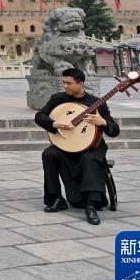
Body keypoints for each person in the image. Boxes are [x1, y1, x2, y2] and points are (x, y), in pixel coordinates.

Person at [35, 68, 119, 225]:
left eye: (69, 83)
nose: (65, 86)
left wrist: (103, 122)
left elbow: (115, 131)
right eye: (64, 83)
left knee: (90, 158)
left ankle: (91, 204)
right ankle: (56, 199)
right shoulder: (58, 99)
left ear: (81, 84)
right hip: (66, 143)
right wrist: (54, 124)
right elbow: (39, 117)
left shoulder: (96, 102)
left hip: (90, 146)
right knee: (49, 154)